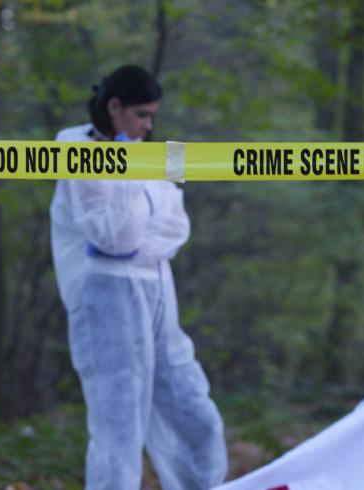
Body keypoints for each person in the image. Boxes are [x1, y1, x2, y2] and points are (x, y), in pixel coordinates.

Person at [50, 65, 227, 490]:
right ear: (114, 107)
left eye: (152, 116)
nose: (148, 126)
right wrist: (130, 179)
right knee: (119, 428)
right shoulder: (75, 149)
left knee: (193, 410)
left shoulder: (160, 153)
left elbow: (177, 227)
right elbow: (114, 237)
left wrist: (138, 244)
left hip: (157, 295)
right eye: (141, 115)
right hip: (105, 299)